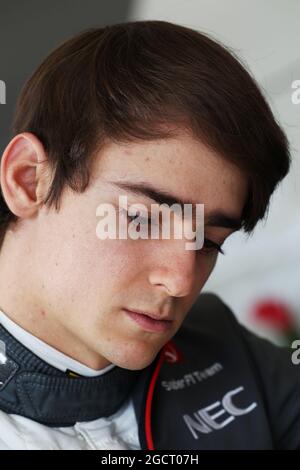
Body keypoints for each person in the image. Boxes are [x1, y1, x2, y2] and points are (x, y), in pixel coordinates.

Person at [0, 20, 298, 450]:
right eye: (143, 220)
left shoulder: (231, 353)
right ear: (29, 180)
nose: (181, 280)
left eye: (210, 241)